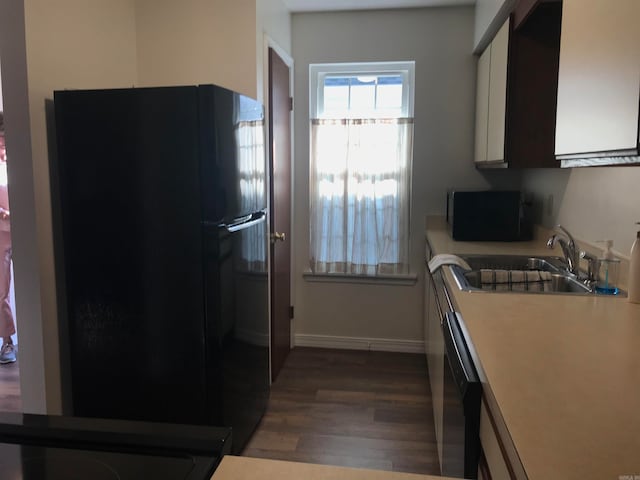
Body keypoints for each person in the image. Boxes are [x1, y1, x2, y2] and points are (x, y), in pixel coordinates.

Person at [0, 113, 16, 364]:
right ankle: (8, 343)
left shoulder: (21, 158)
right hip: (1, 235)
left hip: (26, 230)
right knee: (0, 291)